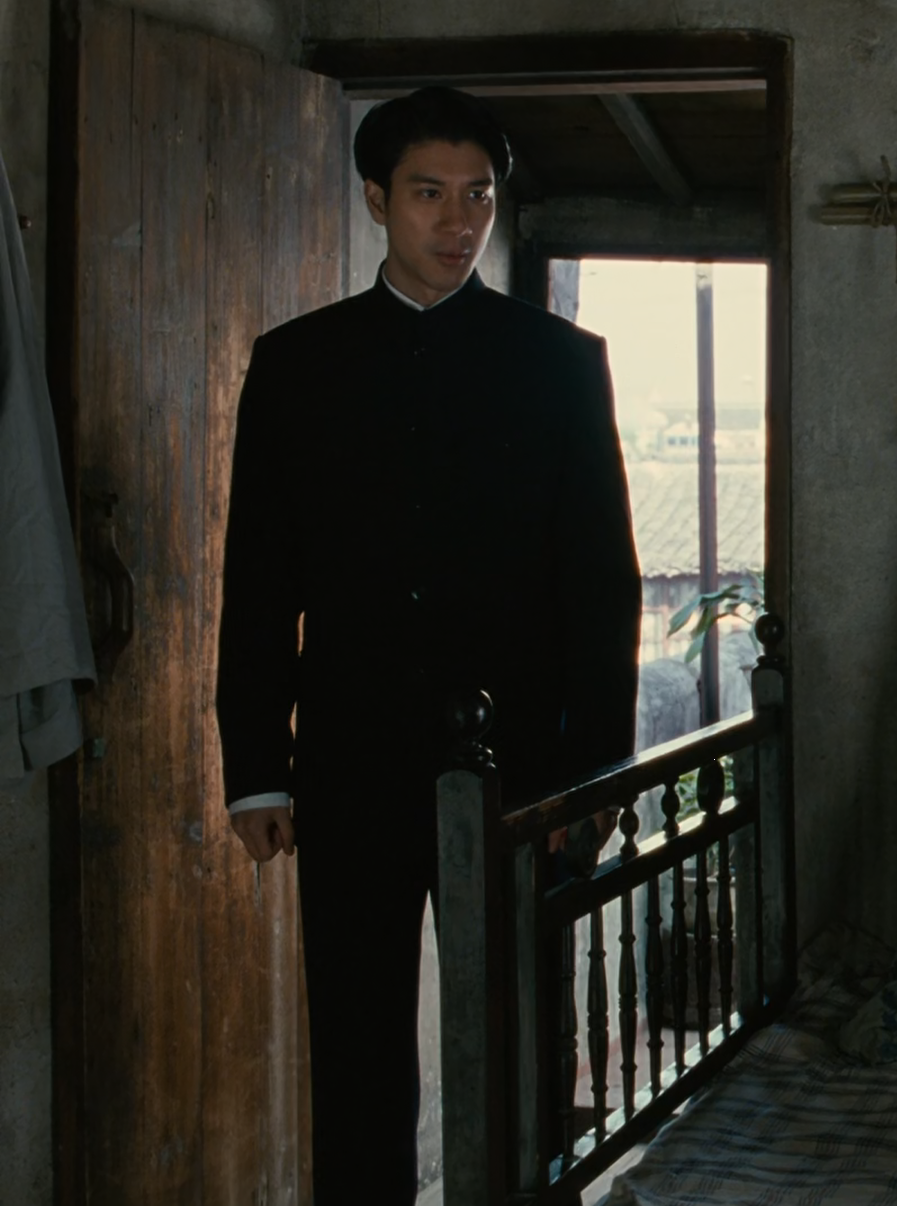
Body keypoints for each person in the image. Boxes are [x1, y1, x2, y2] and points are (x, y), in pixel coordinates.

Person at [214, 87, 640, 1205]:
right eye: (429, 195)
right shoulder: (297, 364)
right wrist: (255, 765)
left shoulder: (559, 361)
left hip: (522, 769)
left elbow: (604, 584)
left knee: (518, 1036)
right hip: (350, 758)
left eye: (478, 197)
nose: (459, 223)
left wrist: (596, 772)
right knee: (356, 1046)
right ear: (376, 200)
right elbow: (258, 578)